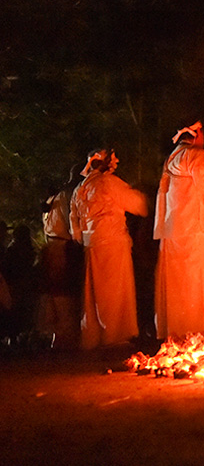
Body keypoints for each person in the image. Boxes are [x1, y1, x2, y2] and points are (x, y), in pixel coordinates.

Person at [153, 119, 204, 339]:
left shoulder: (172, 158)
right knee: (199, 279)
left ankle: (178, 329)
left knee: (178, 283)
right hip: (196, 228)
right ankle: (200, 329)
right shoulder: (195, 156)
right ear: (196, 135)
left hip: (174, 227)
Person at [70, 149, 148, 349]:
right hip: (113, 243)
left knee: (94, 292)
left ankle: (94, 337)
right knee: (113, 291)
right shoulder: (108, 183)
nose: (117, 162)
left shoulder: (81, 188)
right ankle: (114, 336)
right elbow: (139, 204)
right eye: (113, 159)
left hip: (92, 245)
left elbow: (75, 228)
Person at [39, 164, 84, 349]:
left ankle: (60, 336)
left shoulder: (53, 200)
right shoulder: (65, 197)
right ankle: (64, 335)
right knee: (63, 288)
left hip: (53, 245)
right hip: (61, 246)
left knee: (57, 288)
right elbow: (71, 220)